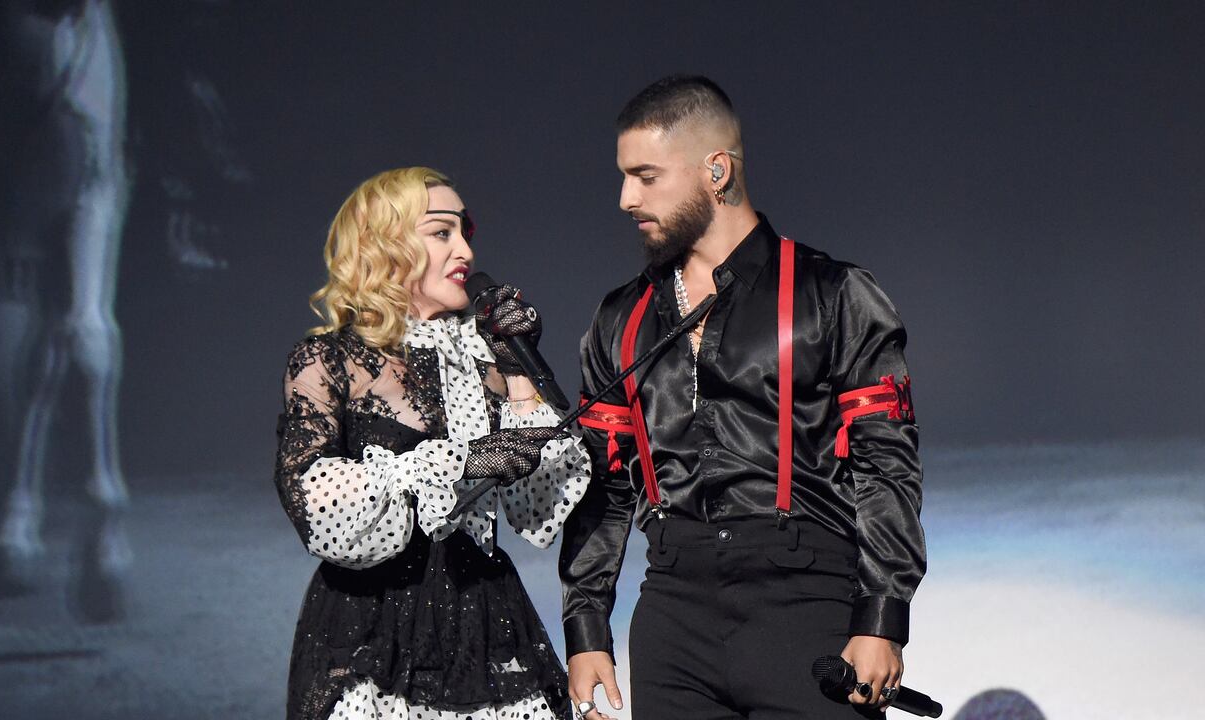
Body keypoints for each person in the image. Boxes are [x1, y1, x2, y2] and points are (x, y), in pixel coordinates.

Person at [560, 77, 926, 719]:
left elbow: (885, 467)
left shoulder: (835, 294)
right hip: (674, 608)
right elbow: (604, 487)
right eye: (624, 177)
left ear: (717, 171)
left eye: (646, 176)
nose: (625, 198)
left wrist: (882, 617)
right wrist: (586, 628)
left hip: (807, 601)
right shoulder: (619, 319)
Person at [274, 167, 589, 720]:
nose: (465, 247)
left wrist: (517, 373)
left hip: (484, 619)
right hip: (371, 633)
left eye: (465, 231)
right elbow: (314, 505)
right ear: (385, 246)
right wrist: (458, 463)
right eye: (441, 232)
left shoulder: (480, 358)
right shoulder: (330, 360)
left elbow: (537, 508)